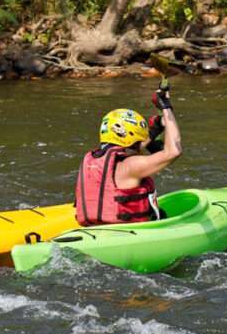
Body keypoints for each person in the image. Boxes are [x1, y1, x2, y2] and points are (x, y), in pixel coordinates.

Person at [74, 80, 182, 225]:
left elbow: (133, 148)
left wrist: (155, 130)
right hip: (127, 231)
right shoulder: (131, 166)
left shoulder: (93, 160)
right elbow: (174, 151)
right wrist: (166, 108)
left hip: (93, 228)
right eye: (138, 142)